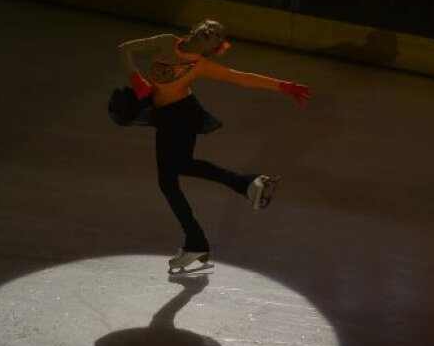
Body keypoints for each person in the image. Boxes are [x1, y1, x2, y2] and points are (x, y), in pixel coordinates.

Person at [116, 19, 311, 272]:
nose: (212, 31)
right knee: (177, 171)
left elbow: (241, 78)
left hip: (181, 115)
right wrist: (136, 78)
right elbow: (125, 48)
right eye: (211, 26)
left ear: (212, 49)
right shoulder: (167, 42)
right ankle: (243, 188)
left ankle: (200, 236)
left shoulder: (201, 65)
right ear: (196, 28)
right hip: (164, 115)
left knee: (169, 179)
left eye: (218, 35)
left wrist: (283, 86)